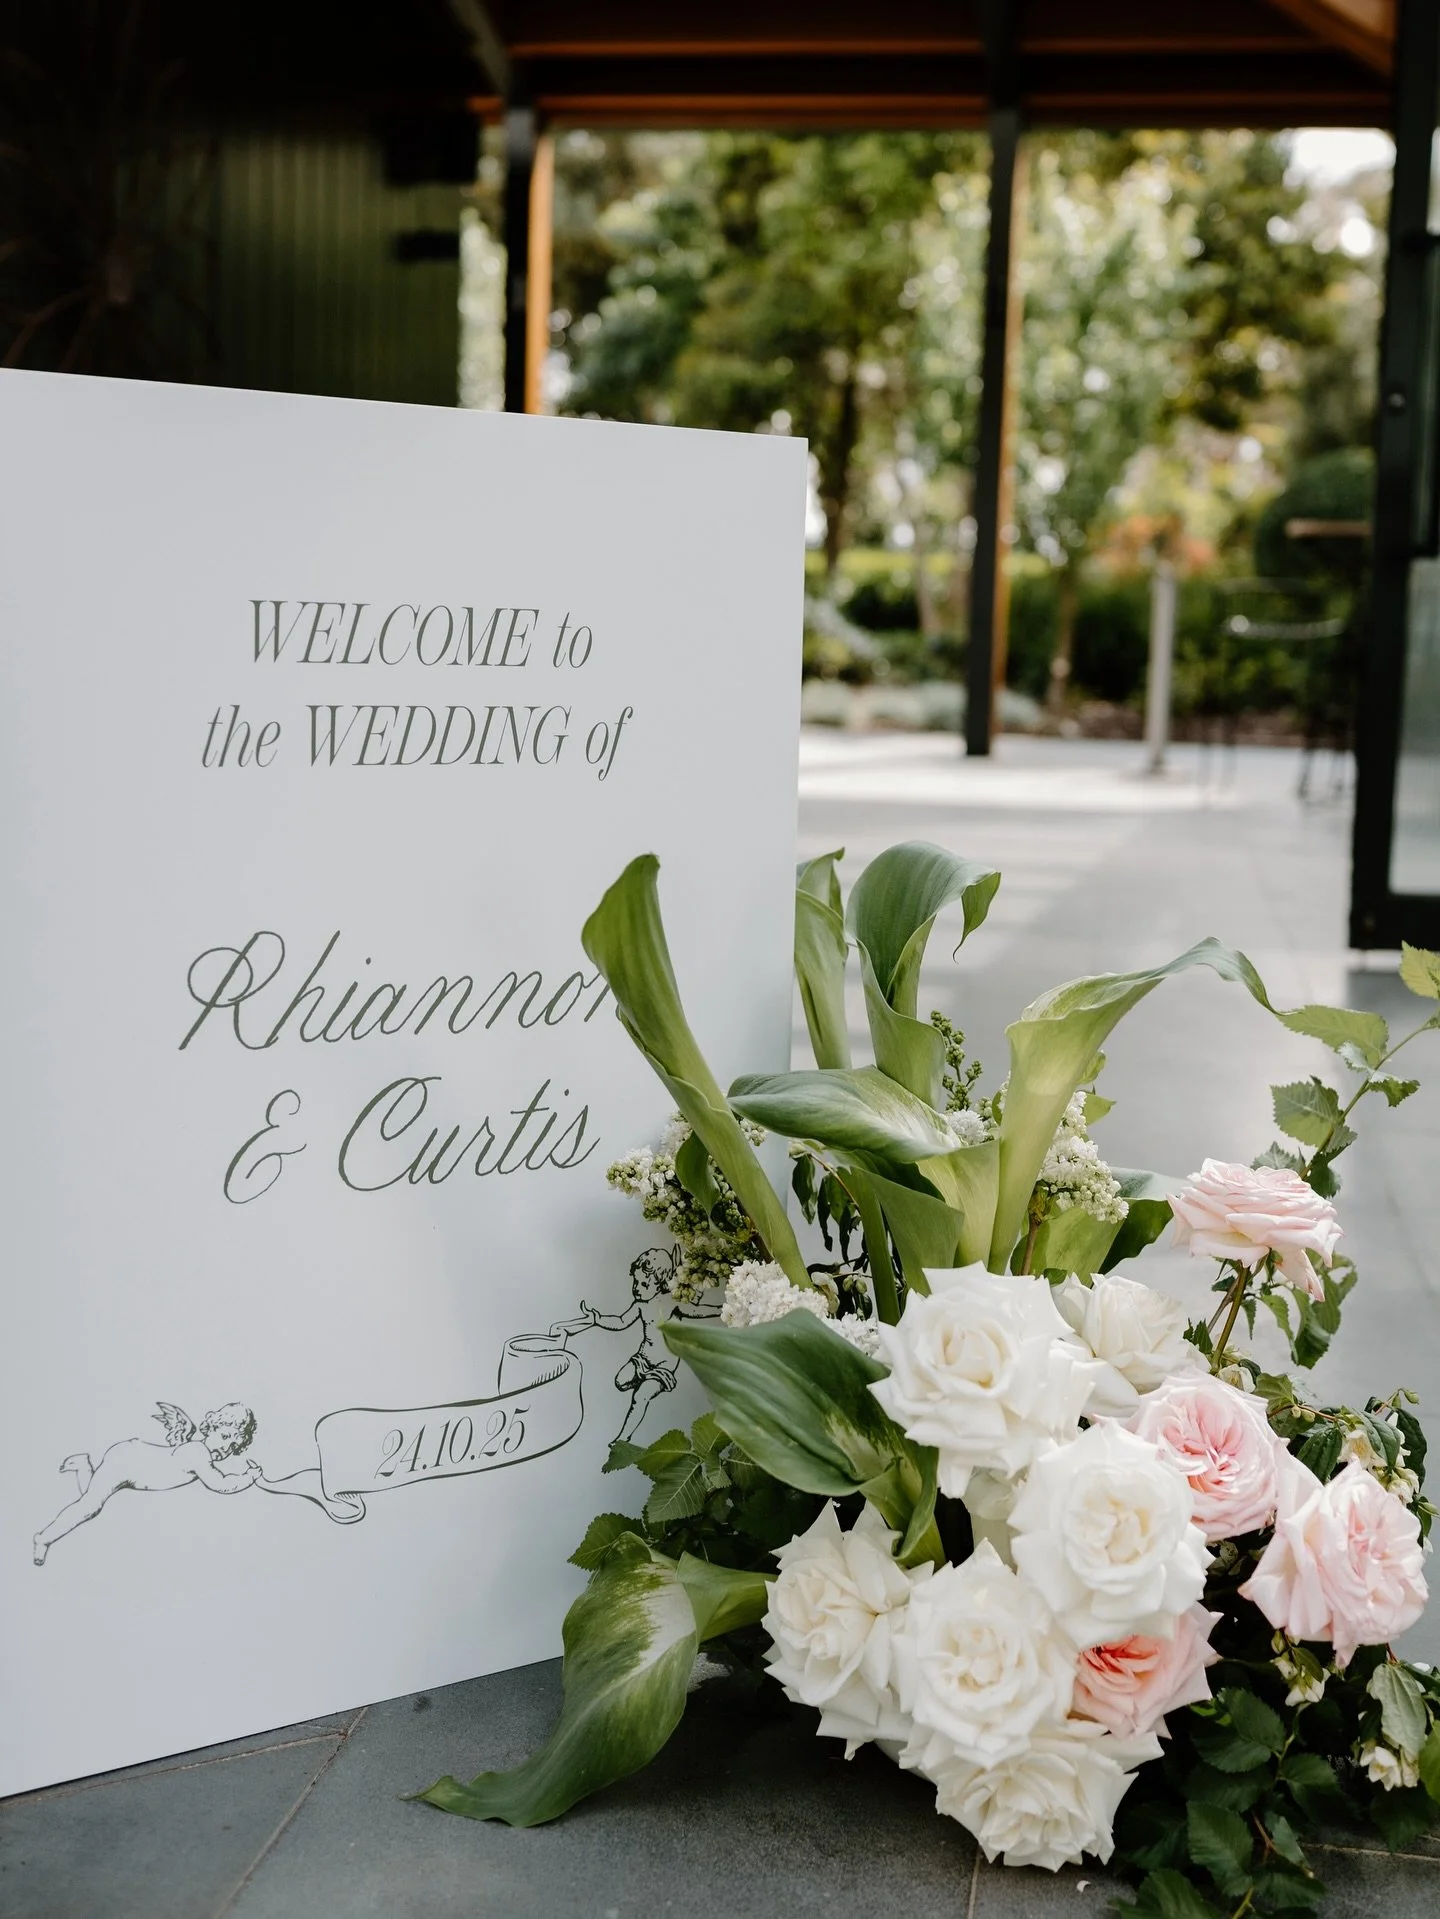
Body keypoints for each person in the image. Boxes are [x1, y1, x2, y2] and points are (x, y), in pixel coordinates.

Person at [33, 1401, 259, 1566]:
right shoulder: (198, 1453)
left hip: (131, 1460)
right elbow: (220, 1484)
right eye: (225, 1437)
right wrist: (249, 1477)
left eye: (234, 1447)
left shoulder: (196, 1449)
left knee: (91, 1504)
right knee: (89, 1506)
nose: (226, 1448)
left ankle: (83, 1465)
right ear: (213, 1426)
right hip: (129, 1462)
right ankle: (43, 1538)